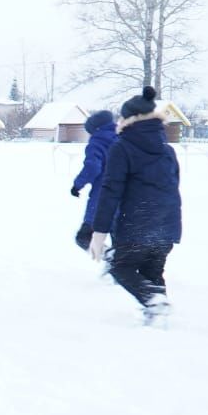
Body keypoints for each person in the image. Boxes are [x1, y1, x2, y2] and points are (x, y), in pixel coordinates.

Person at [89, 86, 182, 326]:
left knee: (121, 267)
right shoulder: (167, 149)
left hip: (137, 223)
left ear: (128, 119)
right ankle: (158, 314)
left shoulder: (121, 148)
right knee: (152, 272)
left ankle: (153, 301)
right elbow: (174, 186)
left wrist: (99, 233)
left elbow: (111, 191)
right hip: (166, 224)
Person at [71, 110, 118, 251]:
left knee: (84, 237)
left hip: (102, 197)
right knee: (121, 244)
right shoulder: (123, 139)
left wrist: (77, 185)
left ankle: (111, 260)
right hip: (124, 198)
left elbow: (92, 167)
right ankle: (121, 266)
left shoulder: (98, 141)